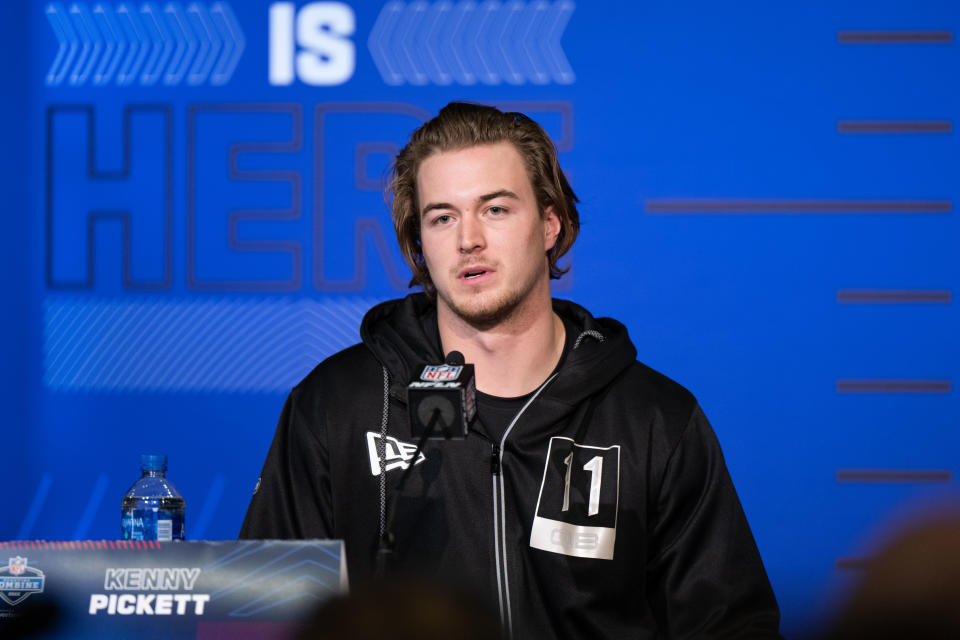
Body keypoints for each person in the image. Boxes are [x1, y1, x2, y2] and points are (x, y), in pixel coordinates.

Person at [240, 102, 782, 639]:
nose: (468, 239)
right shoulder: (338, 404)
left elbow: (732, 627)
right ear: (419, 244)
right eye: (443, 217)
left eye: (495, 209)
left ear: (550, 224)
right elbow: (260, 621)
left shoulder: (652, 418)